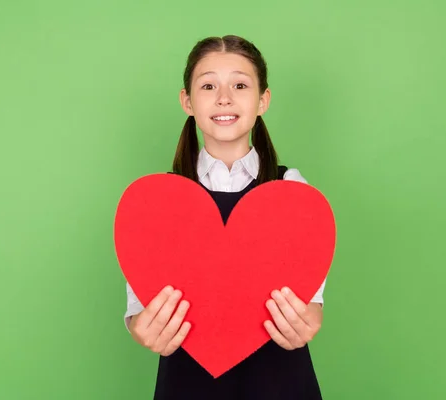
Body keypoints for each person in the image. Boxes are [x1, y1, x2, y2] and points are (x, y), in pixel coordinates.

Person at [123, 35, 328, 399]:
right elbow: (139, 310)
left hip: (278, 382)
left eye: (240, 84)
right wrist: (140, 326)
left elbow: (310, 307)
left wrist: (307, 321)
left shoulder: (292, 191)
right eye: (207, 85)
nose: (224, 97)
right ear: (187, 101)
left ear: (263, 99)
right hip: (188, 383)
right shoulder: (157, 201)